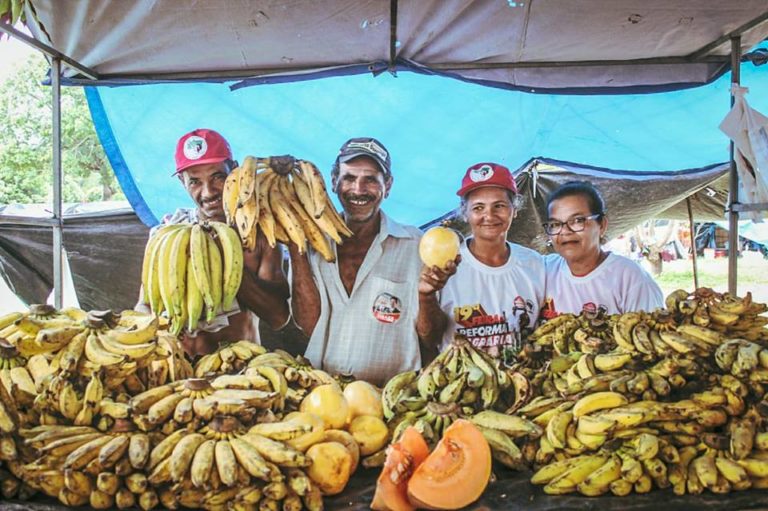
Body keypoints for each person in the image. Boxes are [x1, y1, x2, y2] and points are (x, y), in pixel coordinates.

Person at [136, 128, 290, 356]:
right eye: (195, 181)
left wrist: (226, 264)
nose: (208, 192)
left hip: (239, 368)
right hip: (180, 367)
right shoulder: (169, 234)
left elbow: (278, 317)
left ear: (235, 171)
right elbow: (144, 306)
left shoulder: (257, 236)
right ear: (182, 181)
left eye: (218, 177)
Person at [288, 137, 426, 386]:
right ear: (333, 182)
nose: (359, 190)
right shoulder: (310, 245)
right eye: (349, 178)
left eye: (371, 179)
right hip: (322, 394)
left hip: (394, 398)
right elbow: (309, 325)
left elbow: (430, 332)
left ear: (388, 185)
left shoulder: (415, 245)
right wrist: (295, 245)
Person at [417, 162, 546, 363]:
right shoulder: (444, 265)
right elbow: (429, 340)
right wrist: (426, 296)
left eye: (499, 206)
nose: (489, 215)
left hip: (524, 386)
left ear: (515, 210)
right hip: (463, 386)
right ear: (465, 213)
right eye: (478, 207)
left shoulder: (535, 265)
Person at [540, 181, 663, 319]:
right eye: (555, 224)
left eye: (577, 220)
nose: (565, 231)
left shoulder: (631, 279)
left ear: (602, 225)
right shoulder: (544, 270)